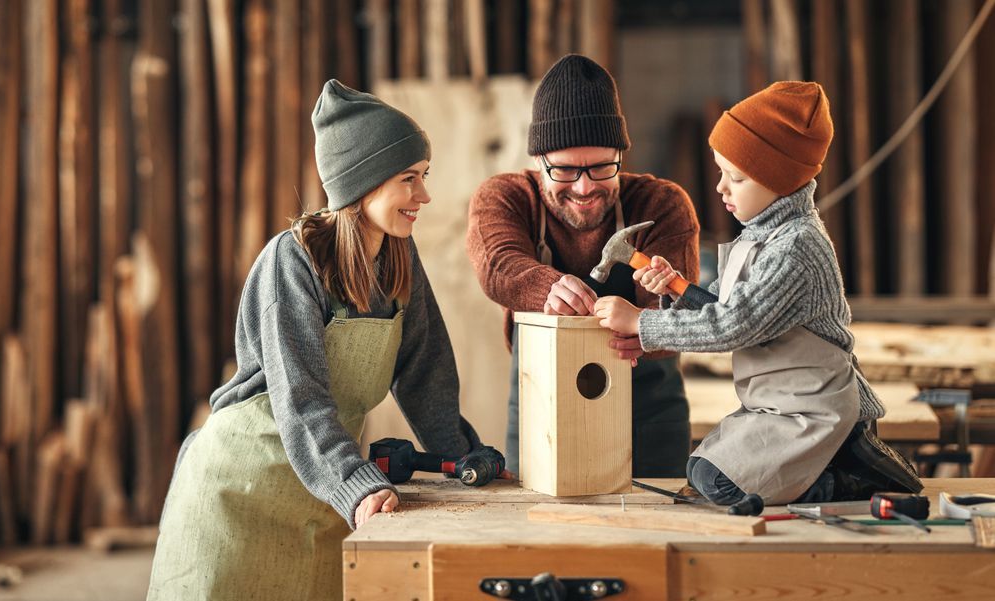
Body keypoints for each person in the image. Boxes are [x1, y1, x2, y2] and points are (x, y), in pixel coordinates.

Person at [147, 79, 504, 600]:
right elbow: (301, 399)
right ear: (365, 184)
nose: (424, 195)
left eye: (424, 176)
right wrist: (355, 484)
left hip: (324, 489)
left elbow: (426, 370)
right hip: (243, 487)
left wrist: (464, 461)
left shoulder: (400, 258)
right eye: (409, 179)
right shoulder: (290, 262)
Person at [593, 81, 921, 505]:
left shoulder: (796, 247)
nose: (720, 189)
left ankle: (855, 470)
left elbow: (733, 326)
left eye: (737, 177)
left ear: (779, 178)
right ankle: (832, 466)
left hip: (815, 410)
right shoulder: (760, 237)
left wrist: (643, 322)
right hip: (778, 403)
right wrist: (677, 288)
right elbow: (724, 307)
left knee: (721, 484)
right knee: (698, 468)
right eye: (720, 173)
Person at [466, 54, 700, 477]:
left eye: (601, 167)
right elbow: (497, 264)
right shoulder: (506, 198)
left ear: (620, 156)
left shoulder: (662, 205)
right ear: (539, 161)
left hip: (649, 412)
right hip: (543, 407)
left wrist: (650, 330)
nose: (585, 186)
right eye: (566, 170)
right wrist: (546, 288)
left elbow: (681, 317)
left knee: (657, 530)